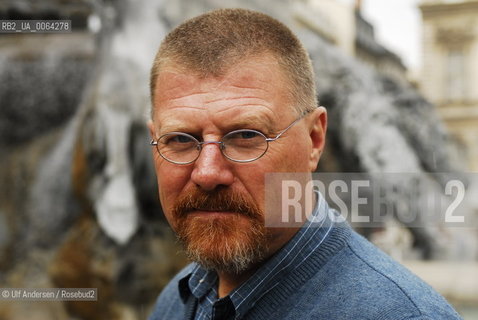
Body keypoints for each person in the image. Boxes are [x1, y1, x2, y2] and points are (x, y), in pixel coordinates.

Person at [147, 8, 462, 320]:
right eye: (180, 140)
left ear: (314, 140)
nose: (207, 172)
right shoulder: (176, 300)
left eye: (245, 135)